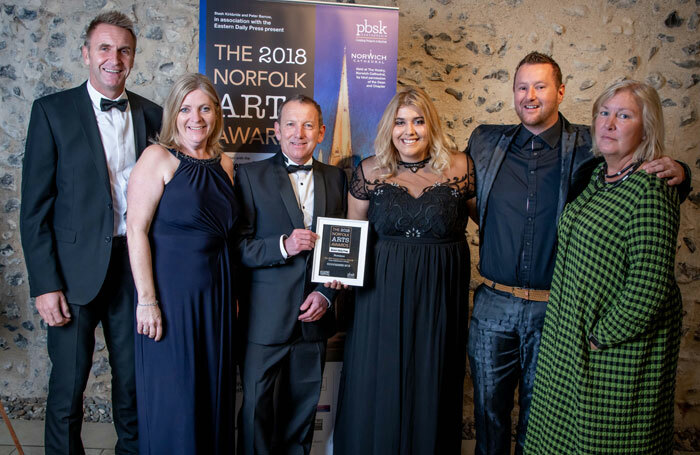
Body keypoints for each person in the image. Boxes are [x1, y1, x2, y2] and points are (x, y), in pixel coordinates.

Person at [464, 52, 691, 455]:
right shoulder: (485, 140)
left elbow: (641, 171)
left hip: (553, 313)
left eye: (540, 86)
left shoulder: (590, 143)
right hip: (493, 306)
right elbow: (454, 187)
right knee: (489, 421)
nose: (529, 96)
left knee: (544, 426)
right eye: (522, 86)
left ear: (562, 92)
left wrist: (683, 172)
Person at [19, 12, 161, 454]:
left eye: (123, 50)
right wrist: (45, 285)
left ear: (133, 58)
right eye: (104, 48)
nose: (113, 58)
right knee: (67, 391)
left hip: (132, 269)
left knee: (134, 386)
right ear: (85, 54)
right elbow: (35, 208)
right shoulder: (51, 112)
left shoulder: (154, 115)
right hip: (72, 273)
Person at [524, 80, 682, 454]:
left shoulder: (651, 189)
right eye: (604, 113)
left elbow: (649, 285)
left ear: (647, 128)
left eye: (624, 115)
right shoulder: (598, 176)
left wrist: (600, 336)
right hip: (569, 346)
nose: (609, 123)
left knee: (605, 442)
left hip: (613, 354)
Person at [333, 86, 476, 454]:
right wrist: (339, 273)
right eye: (399, 122)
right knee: (378, 380)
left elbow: (495, 222)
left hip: (439, 299)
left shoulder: (461, 167)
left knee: (432, 380)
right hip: (380, 297)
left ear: (431, 126)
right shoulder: (369, 170)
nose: (408, 130)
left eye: (417, 121)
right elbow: (353, 232)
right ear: (389, 127)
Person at [125, 72, 237, 454]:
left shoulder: (226, 164)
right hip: (170, 298)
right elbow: (136, 229)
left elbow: (228, 235)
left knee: (211, 393)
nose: (196, 118)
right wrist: (147, 300)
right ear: (174, 114)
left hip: (216, 295)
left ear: (216, 114)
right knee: (174, 400)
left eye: (205, 108)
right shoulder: (158, 157)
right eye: (187, 109)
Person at [235, 94, 347, 455]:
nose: (299, 133)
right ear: (276, 131)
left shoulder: (337, 179)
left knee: (301, 414)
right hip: (264, 320)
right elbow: (238, 248)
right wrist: (283, 245)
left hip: (314, 317)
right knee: (255, 411)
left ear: (321, 132)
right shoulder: (249, 176)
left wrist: (327, 295)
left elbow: (344, 249)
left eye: (308, 125)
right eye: (290, 124)